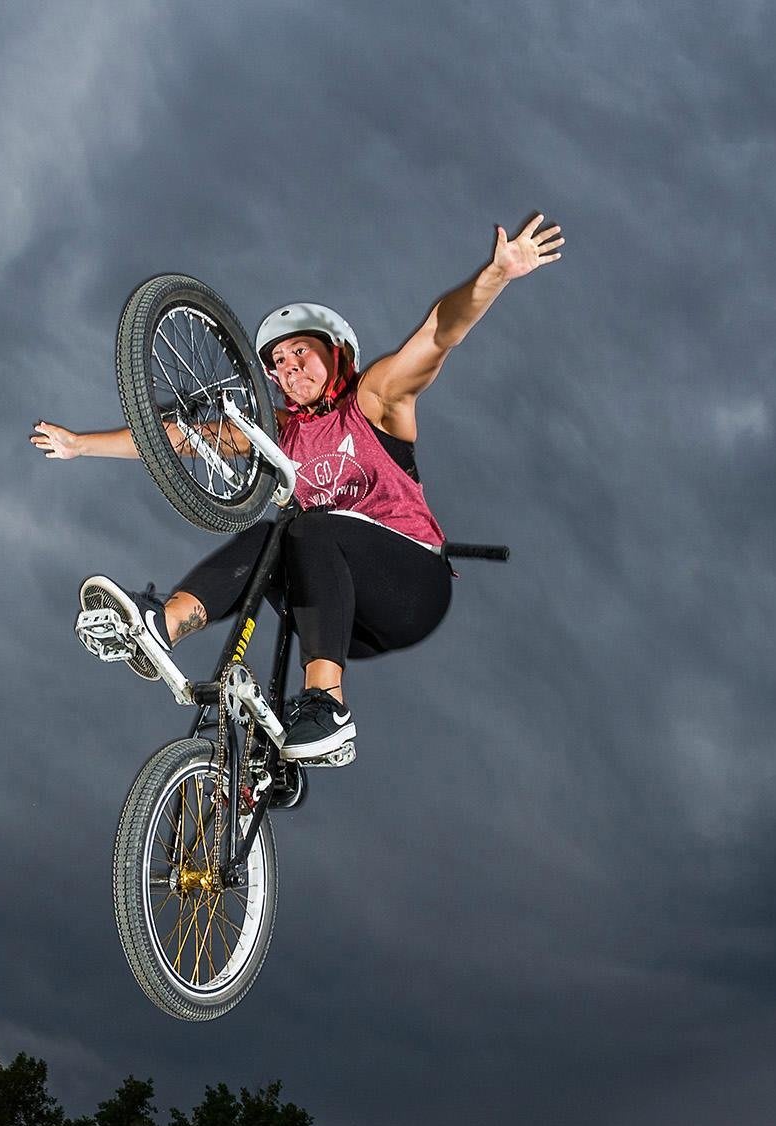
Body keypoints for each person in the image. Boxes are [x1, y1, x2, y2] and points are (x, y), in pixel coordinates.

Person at [30, 212, 565, 764]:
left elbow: (437, 333)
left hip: (411, 583)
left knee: (306, 526)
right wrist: (79, 444)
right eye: (277, 366)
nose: (288, 372)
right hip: (342, 618)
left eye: (299, 354)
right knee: (272, 536)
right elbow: (178, 438)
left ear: (335, 353)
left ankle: (328, 707)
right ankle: (161, 628)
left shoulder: (375, 398)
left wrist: (496, 276)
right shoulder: (279, 435)